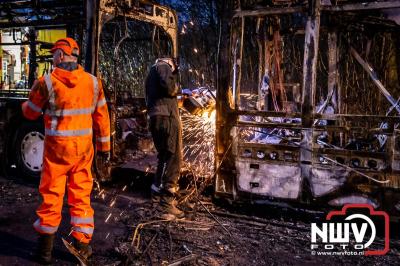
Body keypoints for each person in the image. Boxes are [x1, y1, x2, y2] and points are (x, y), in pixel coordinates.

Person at [22, 37, 111, 264]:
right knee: (81, 196)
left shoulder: (46, 82)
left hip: (57, 154)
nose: (53, 59)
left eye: (54, 55)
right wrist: (104, 149)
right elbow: (102, 119)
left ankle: (44, 251)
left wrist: (29, 99)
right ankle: (81, 246)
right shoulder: (93, 83)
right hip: (82, 153)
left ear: (60, 55)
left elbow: (30, 113)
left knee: (52, 196)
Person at [145, 57, 184, 220]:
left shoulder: (152, 72)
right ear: (172, 63)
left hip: (159, 117)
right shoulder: (162, 65)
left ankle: (156, 196)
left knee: (165, 157)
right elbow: (169, 87)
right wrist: (180, 89)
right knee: (173, 157)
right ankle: (166, 203)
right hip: (166, 118)